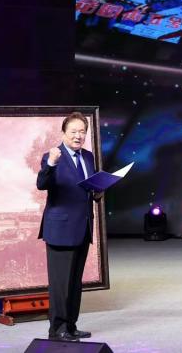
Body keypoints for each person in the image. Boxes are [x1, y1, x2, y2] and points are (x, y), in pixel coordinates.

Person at [37, 112, 101, 341]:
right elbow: (42, 184)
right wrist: (51, 164)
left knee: (74, 283)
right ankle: (57, 329)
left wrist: (98, 192)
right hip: (60, 230)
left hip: (83, 227)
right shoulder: (52, 156)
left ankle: (71, 326)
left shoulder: (88, 157)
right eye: (73, 131)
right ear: (63, 133)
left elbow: (88, 188)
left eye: (82, 131)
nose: (78, 136)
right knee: (60, 284)